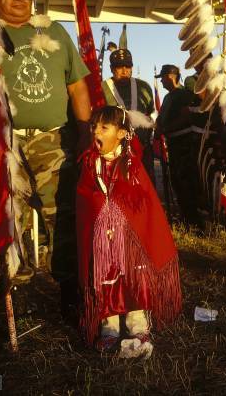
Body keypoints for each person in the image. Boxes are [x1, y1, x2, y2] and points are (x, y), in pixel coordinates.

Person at [0, 0, 92, 305]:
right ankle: (14, 295)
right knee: (6, 219)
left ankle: (71, 291)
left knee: (63, 215)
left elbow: (78, 86)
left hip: (53, 140)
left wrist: (84, 131)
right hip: (3, 144)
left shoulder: (54, 31)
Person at [76, 106, 181, 356]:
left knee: (135, 279)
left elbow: (145, 208)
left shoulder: (132, 165)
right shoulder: (90, 164)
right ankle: (109, 328)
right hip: (103, 240)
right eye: (94, 127)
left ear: (122, 133)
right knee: (106, 280)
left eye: (104, 127)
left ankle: (138, 325)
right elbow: (84, 200)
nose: (96, 132)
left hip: (131, 240)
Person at [155, 64, 205, 230]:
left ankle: (196, 223)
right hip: (173, 145)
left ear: (171, 76)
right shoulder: (168, 97)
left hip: (185, 146)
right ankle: (186, 218)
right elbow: (162, 118)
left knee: (187, 183)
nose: (161, 81)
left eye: (162, 77)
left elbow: (188, 116)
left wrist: (166, 128)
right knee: (177, 182)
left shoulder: (184, 94)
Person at [102, 48, 155, 181]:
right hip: (114, 152)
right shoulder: (102, 88)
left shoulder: (144, 87)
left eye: (128, 66)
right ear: (111, 68)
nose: (124, 70)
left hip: (143, 150)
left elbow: (151, 113)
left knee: (146, 189)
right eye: (119, 67)